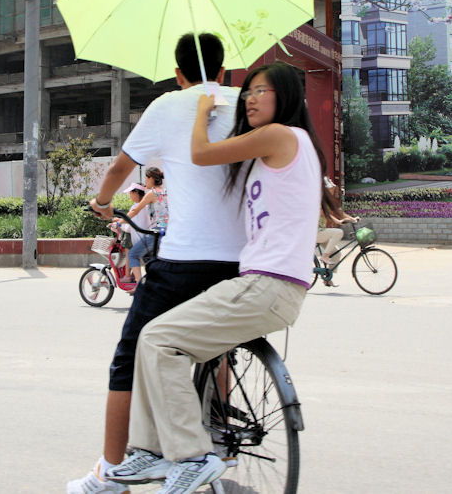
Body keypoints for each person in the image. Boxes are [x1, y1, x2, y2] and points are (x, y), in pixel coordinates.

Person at [105, 62, 336, 494]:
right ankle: (156, 450)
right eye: (247, 91)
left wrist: (201, 111)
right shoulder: (292, 144)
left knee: (155, 340)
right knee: (172, 341)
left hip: (265, 285)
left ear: (285, 97)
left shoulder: (280, 134)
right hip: (271, 286)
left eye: (261, 91)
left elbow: (200, 154)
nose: (250, 98)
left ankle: (189, 454)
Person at [68, 33, 245, 494]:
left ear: (179, 73)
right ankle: (220, 436)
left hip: (189, 258)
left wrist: (103, 203)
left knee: (128, 355)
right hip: (246, 260)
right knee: (215, 343)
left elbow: (117, 170)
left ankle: (110, 473)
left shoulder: (168, 105)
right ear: (223, 72)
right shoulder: (248, 101)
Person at [119, 167, 168, 284]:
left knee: (132, 254)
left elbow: (136, 210)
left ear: (151, 178)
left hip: (157, 232)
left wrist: (119, 221)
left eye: (146, 178)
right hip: (169, 232)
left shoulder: (152, 193)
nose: (145, 181)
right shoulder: (166, 192)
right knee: (150, 260)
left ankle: (139, 285)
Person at [316, 178, 357, 265]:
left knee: (336, 254)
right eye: (330, 189)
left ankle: (327, 278)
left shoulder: (326, 200)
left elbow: (338, 211)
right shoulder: (318, 199)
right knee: (338, 232)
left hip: (321, 232)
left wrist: (352, 219)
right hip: (315, 233)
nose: (332, 190)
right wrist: (338, 221)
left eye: (332, 188)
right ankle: (324, 256)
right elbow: (325, 213)